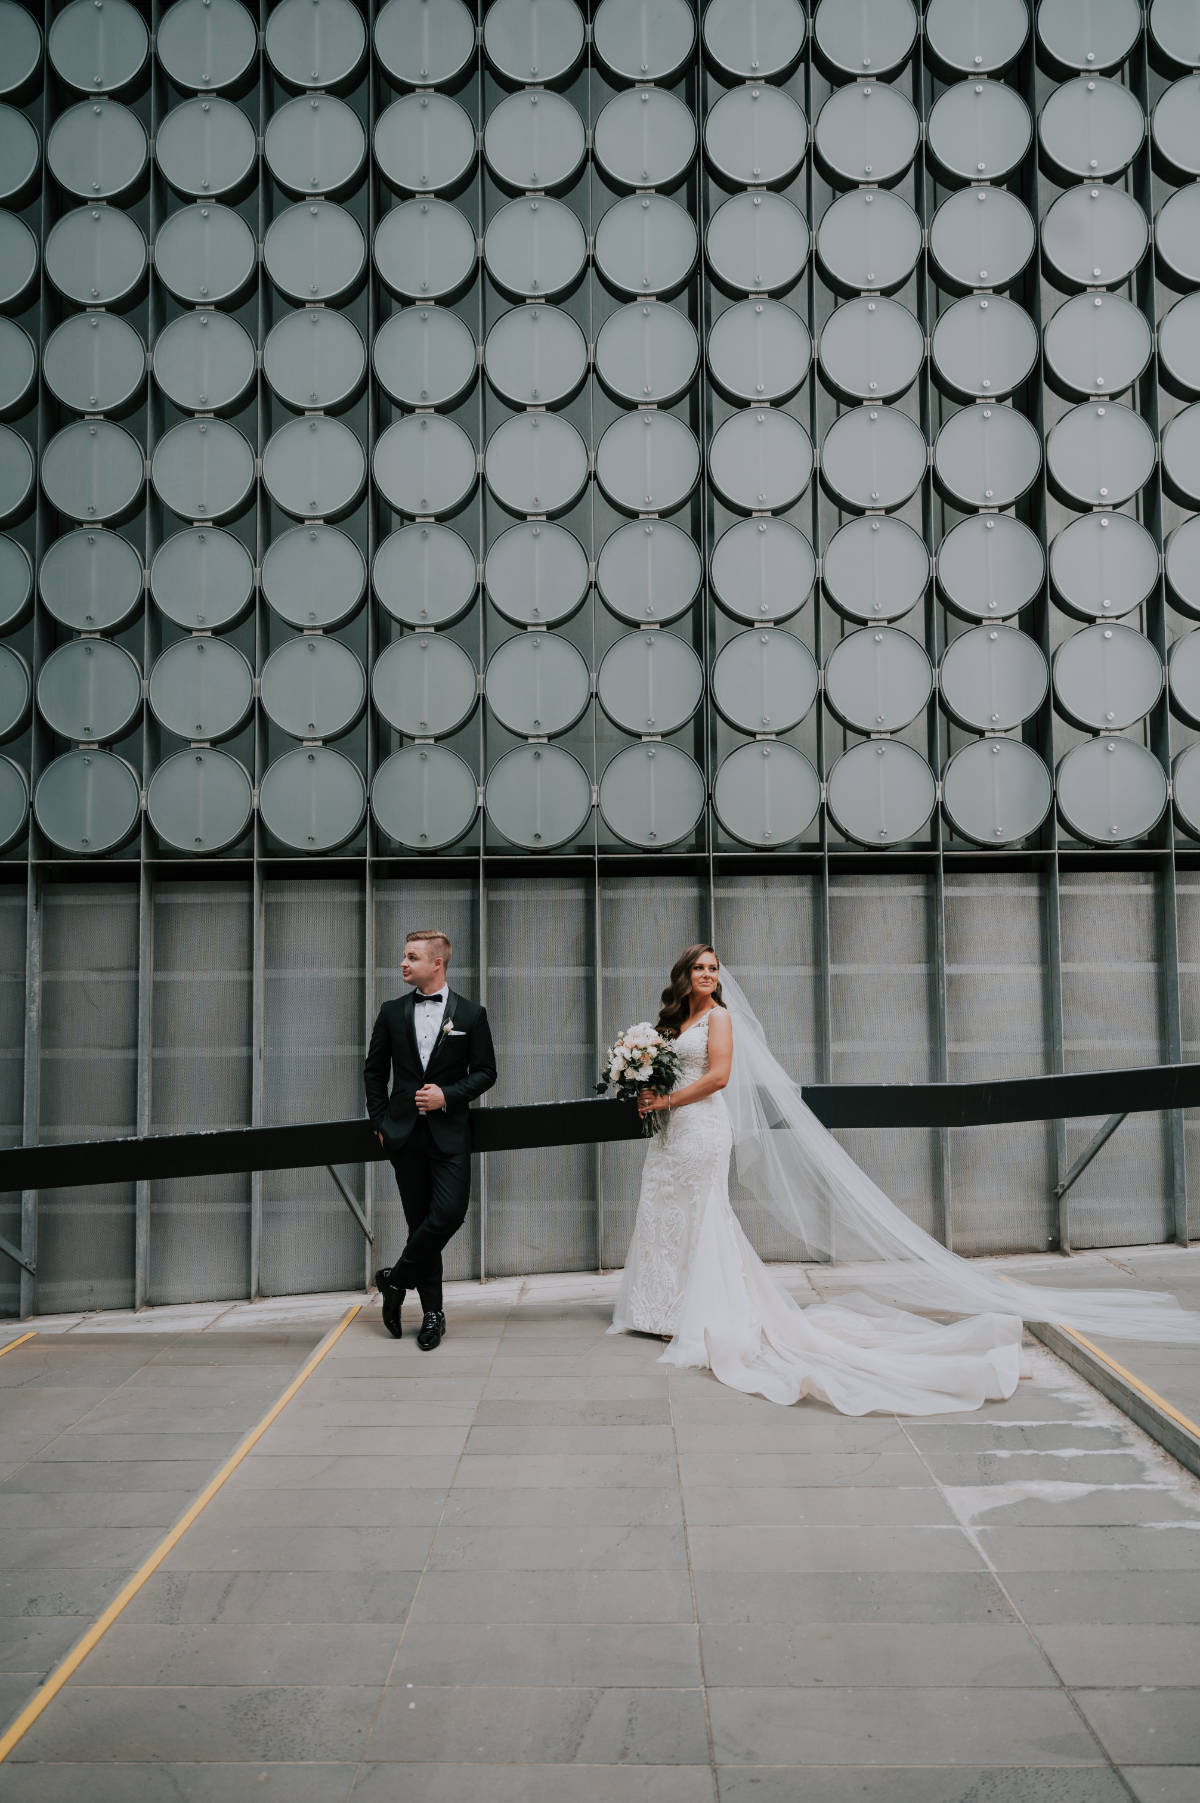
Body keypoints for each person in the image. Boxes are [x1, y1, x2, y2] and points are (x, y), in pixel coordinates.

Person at [610, 944, 1200, 1416]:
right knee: (664, 1212)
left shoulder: (721, 1019)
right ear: (684, 976)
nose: (711, 975)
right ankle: (656, 1307)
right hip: (671, 1134)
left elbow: (718, 1078)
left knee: (703, 1214)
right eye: (701, 968)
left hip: (701, 1127)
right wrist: (645, 1085)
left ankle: (697, 1313)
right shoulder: (672, 1022)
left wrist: (668, 1098)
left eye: (716, 968)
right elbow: (665, 1070)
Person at [365, 930, 497, 1350]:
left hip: (451, 1133)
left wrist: (448, 1095)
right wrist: (381, 1123)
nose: (403, 964)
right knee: (419, 1223)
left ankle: (396, 1280)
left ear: (437, 963)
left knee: (450, 1214)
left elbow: (486, 1072)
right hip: (403, 1136)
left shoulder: (472, 1015)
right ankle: (433, 1315)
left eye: (412, 957)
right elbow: (373, 1073)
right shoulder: (390, 1012)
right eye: (404, 956)